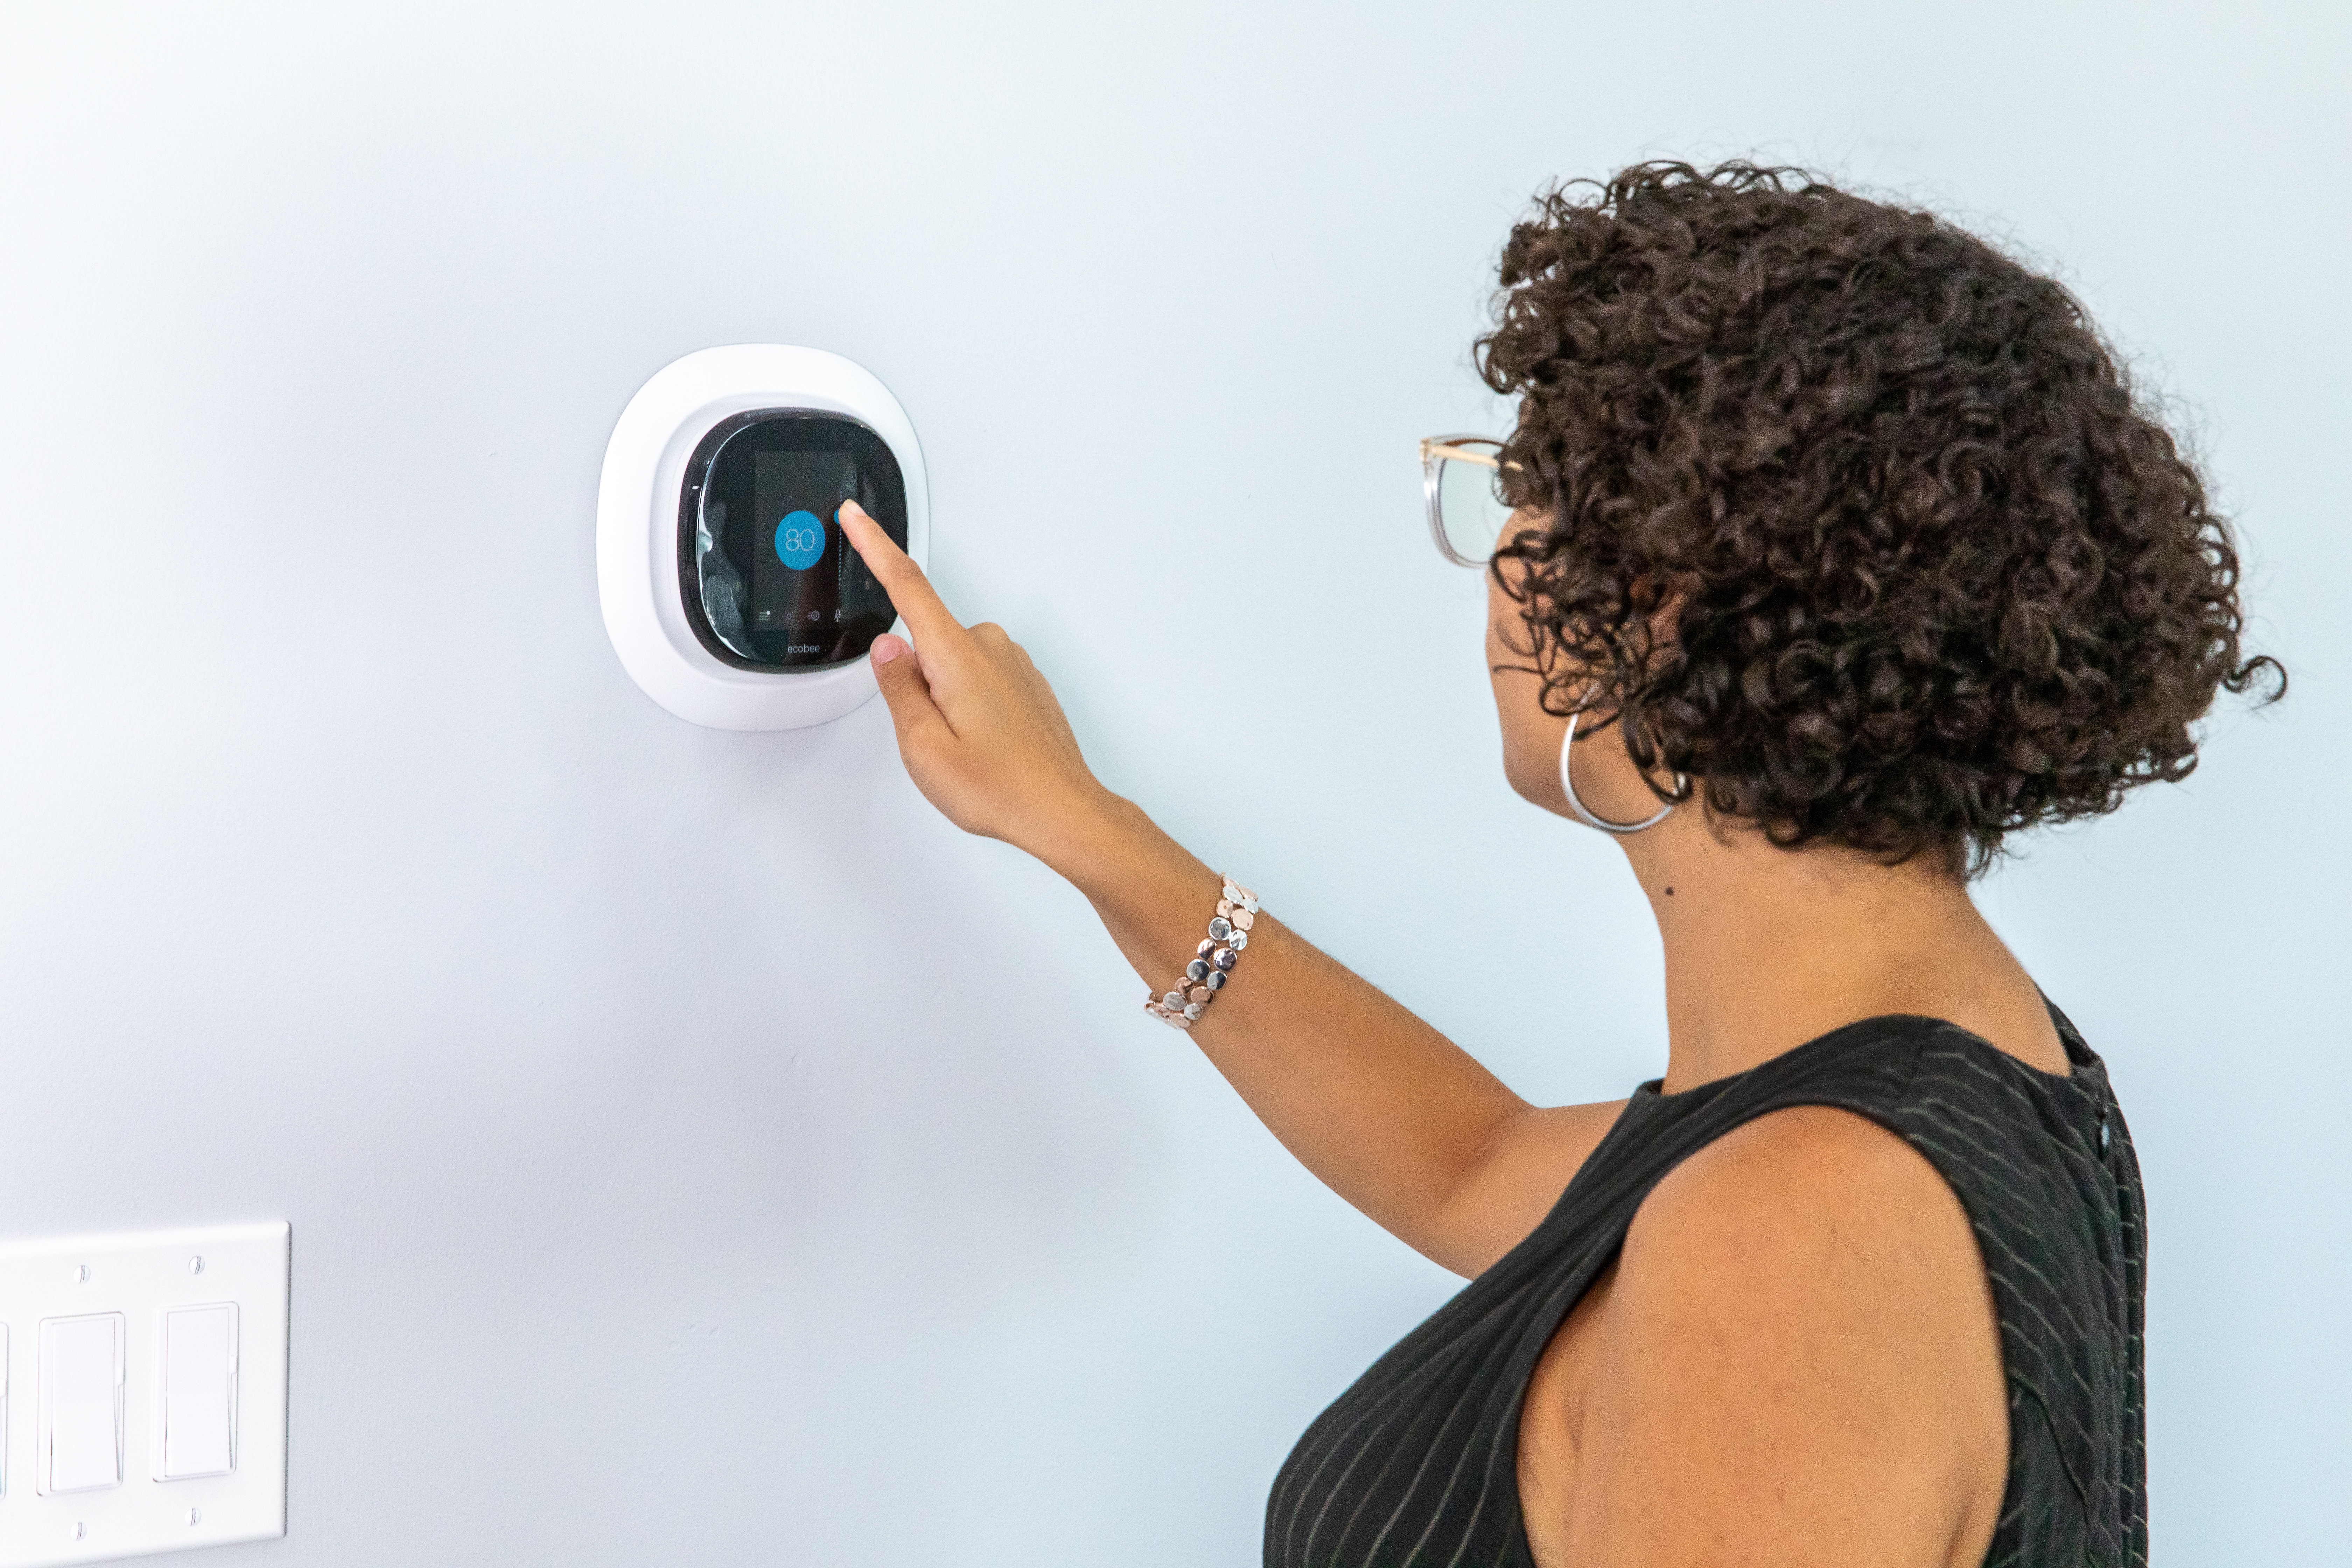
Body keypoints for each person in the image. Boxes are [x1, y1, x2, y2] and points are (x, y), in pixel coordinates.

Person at [835, 162, 2278, 1568]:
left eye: (1526, 492)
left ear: (1656, 601)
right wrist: (1080, 826)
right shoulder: (1944, 1064)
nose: (1497, 550)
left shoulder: (1795, 1230)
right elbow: (1471, 1164)